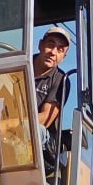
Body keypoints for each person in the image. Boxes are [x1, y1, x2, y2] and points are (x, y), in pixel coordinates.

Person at [31, 26, 71, 161]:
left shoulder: (61, 80)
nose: (53, 52)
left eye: (60, 50)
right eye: (50, 45)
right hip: (4, 122)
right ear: (40, 45)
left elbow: (45, 119)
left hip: (42, 144)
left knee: (37, 130)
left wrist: (10, 125)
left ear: (63, 57)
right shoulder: (20, 64)